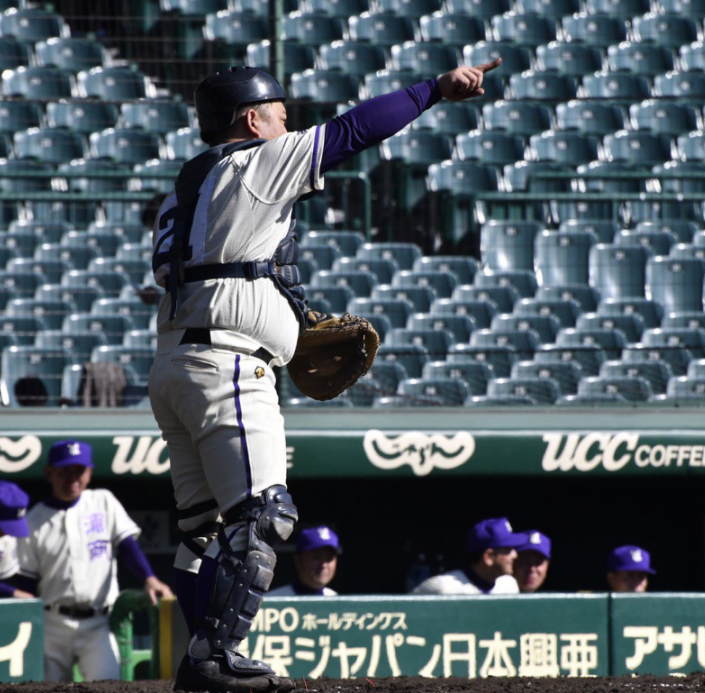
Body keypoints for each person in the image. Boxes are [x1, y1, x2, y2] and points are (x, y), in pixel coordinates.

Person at [146, 60, 501, 693]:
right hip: (228, 362)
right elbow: (351, 132)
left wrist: (286, 315)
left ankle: (198, 657)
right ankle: (216, 658)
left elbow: (225, 265)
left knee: (202, 536)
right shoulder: (251, 161)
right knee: (262, 515)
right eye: (280, 112)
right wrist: (434, 91)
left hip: (176, 364)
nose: (289, 122)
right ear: (251, 120)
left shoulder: (184, 186)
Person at [17, 439, 174, 682]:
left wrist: (148, 578)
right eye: (64, 471)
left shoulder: (103, 501)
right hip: (52, 624)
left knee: (109, 685)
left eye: (78, 471)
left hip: (98, 623)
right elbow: (26, 581)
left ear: (89, 473)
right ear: (50, 473)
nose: (72, 478)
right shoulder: (33, 520)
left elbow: (128, 546)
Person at [413, 518, 525, 595]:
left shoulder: (509, 585)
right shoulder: (443, 587)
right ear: (489, 557)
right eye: (508, 550)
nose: (515, 555)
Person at [269, 526, 341, 597]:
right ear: (298, 560)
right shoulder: (274, 600)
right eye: (317, 557)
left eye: (329, 558)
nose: (323, 565)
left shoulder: (337, 601)